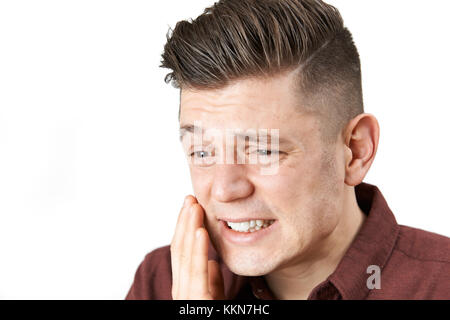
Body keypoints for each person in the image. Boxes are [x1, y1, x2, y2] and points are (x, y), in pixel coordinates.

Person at [126, 0, 450, 300]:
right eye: (202, 152)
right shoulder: (160, 282)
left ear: (355, 151)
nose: (224, 190)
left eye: (263, 151)